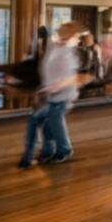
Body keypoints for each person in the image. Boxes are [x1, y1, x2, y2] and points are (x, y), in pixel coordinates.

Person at [17, 22, 85, 170]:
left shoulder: (69, 53)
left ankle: (64, 150)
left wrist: (57, 85)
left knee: (51, 120)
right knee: (48, 123)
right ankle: (48, 152)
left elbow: (72, 77)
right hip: (51, 94)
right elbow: (46, 68)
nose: (78, 39)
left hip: (64, 95)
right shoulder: (53, 47)